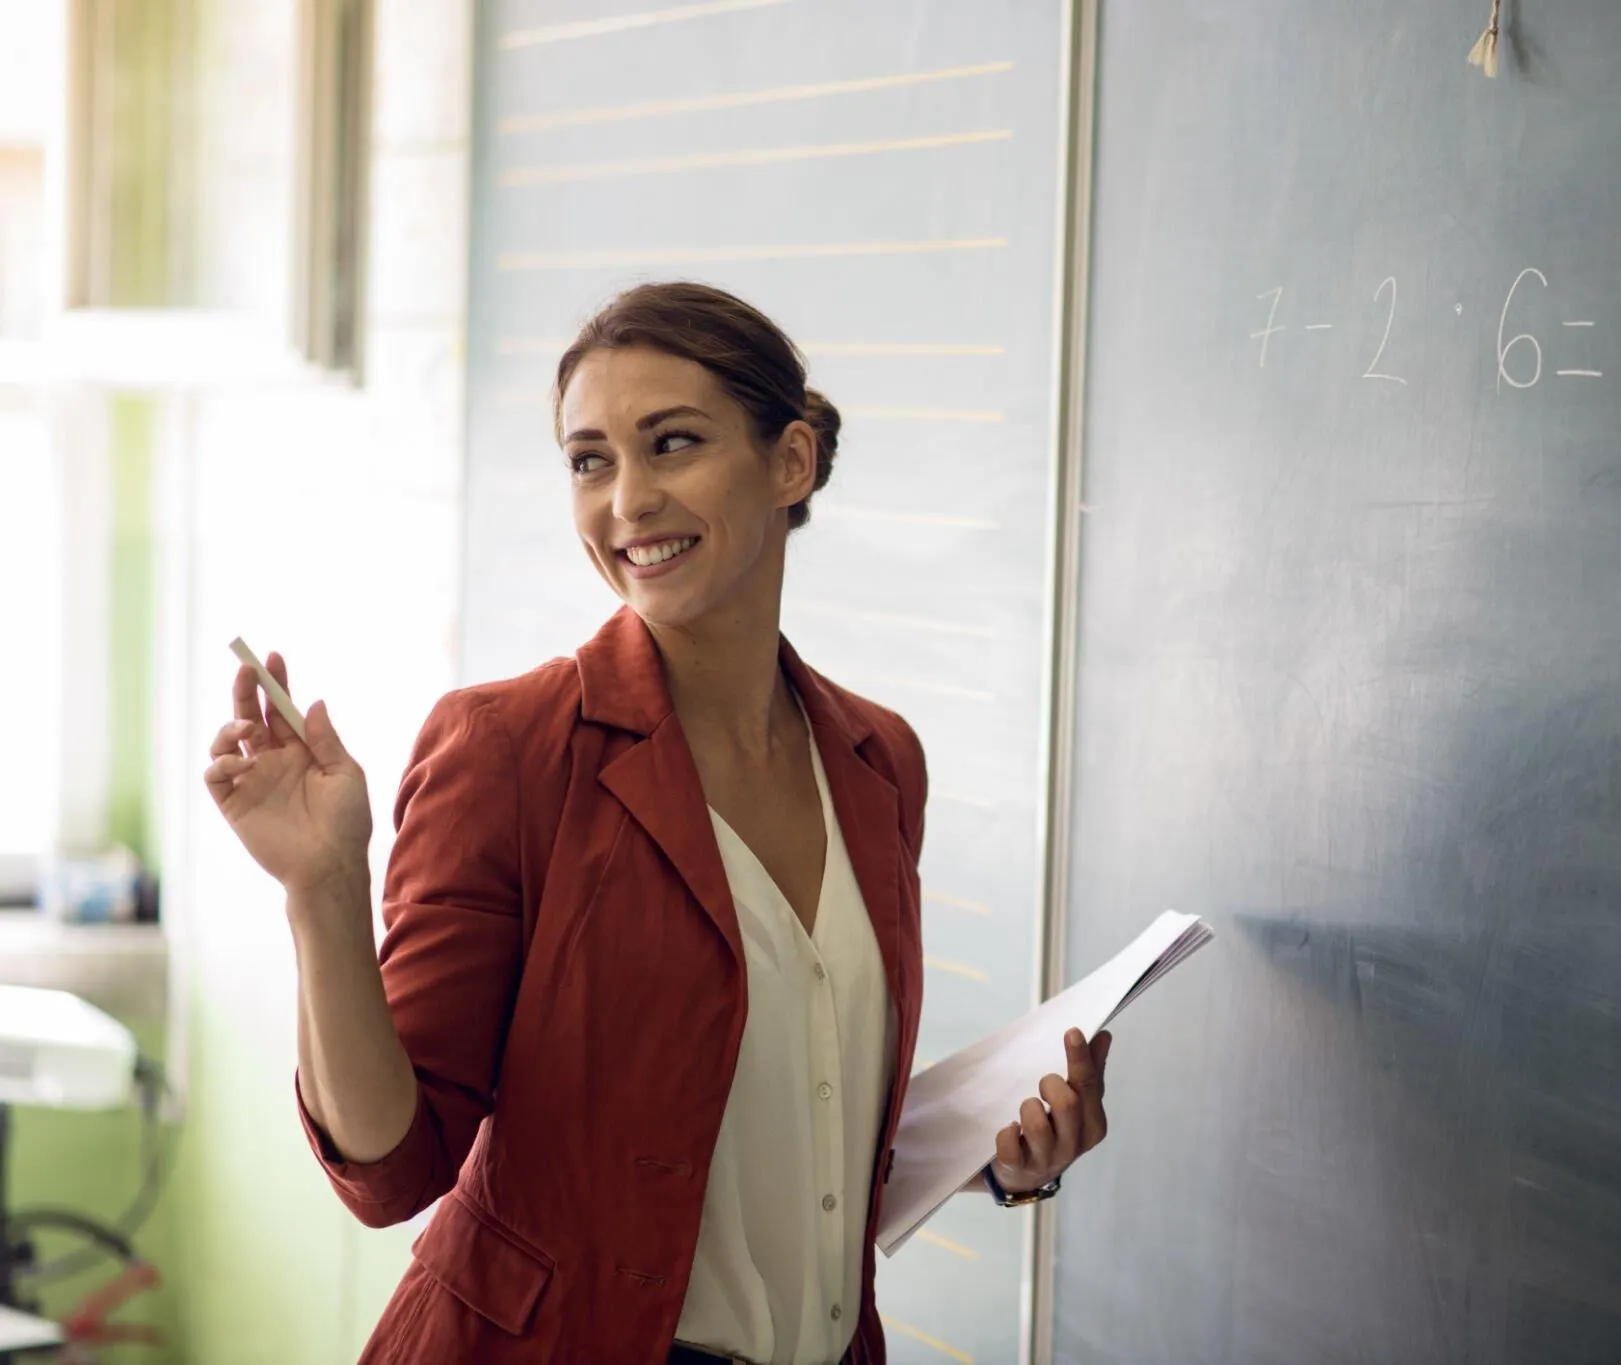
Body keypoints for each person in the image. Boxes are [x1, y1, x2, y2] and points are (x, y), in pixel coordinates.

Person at [203, 281, 1112, 1364]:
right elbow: (390, 1167)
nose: (626, 500)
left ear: (790, 461)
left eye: (671, 443)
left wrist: (997, 1151)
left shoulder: (878, 762)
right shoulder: (510, 749)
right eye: (590, 461)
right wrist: (323, 890)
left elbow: (779, 1113)